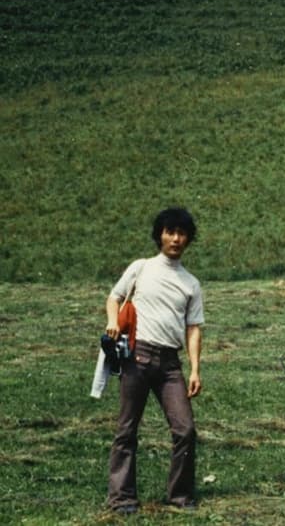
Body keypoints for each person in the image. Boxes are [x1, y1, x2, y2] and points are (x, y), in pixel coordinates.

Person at [105, 207, 205, 515]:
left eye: (181, 233)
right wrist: (112, 322)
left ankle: (180, 496)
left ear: (188, 239)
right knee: (126, 429)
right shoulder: (141, 267)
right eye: (169, 232)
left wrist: (195, 369)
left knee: (185, 430)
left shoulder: (191, 283)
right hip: (137, 357)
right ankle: (121, 499)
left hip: (170, 365)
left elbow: (193, 328)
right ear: (159, 235)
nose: (175, 239)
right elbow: (115, 297)